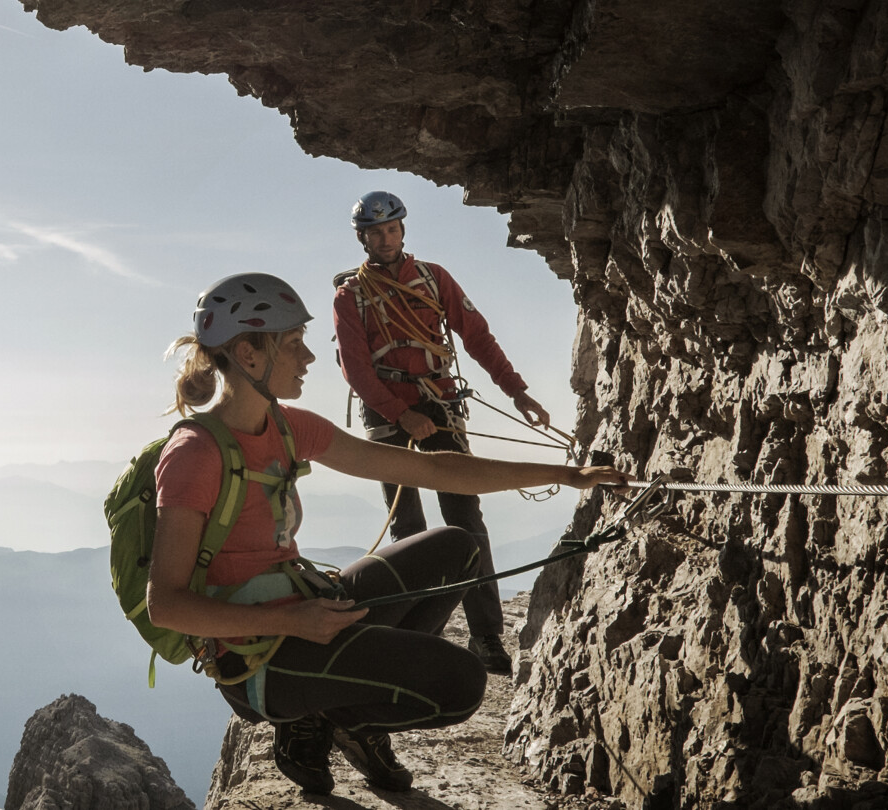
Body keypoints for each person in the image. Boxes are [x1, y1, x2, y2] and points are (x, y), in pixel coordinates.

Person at [151, 272, 624, 794]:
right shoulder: (195, 454)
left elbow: (437, 470)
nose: (309, 357)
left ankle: (337, 716)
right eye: (293, 344)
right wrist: (293, 622)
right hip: (258, 659)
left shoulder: (288, 427)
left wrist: (565, 474)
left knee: (459, 548)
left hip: (306, 612)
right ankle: (340, 719)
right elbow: (167, 606)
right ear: (248, 354)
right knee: (461, 685)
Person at [331, 190, 548, 676]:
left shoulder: (432, 278)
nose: (385, 239)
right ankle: (415, 635)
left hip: (440, 406)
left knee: (465, 518)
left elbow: (477, 335)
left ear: (403, 230)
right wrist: (401, 413)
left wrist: (518, 392)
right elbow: (356, 369)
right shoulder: (351, 295)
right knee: (409, 529)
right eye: (375, 232)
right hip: (389, 417)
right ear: (363, 238)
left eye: (391, 229)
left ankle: (486, 635)